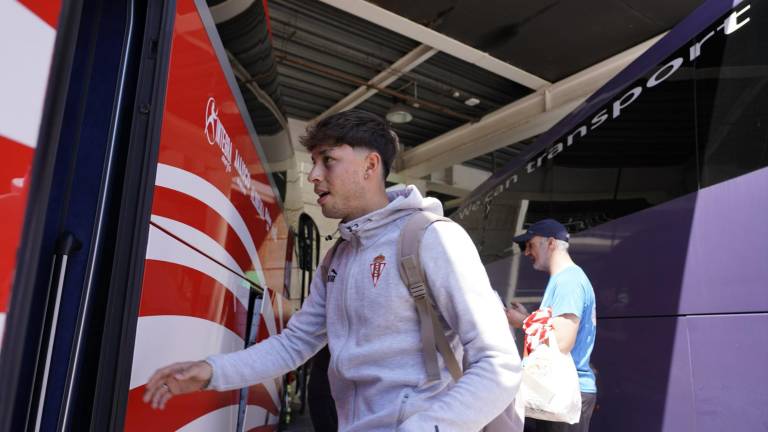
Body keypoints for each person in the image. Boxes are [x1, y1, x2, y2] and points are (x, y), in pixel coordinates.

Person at [143, 109, 521, 431]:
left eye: (328, 160)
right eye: (314, 162)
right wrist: (211, 371)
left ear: (370, 165)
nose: (313, 175)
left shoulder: (432, 238)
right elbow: (294, 344)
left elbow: (498, 365)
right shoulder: (337, 258)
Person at [505, 219, 597, 432]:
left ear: (551, 243)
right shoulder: (566, 279)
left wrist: (522, 322)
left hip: (564, 391)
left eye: (530, 244)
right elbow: (557, 329)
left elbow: (562, 341)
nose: (527, 252)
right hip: (559, 390)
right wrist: (528, 317)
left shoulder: (568, 281)